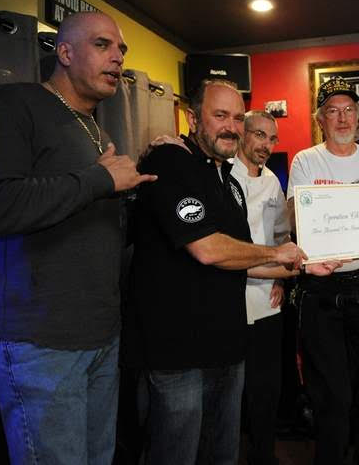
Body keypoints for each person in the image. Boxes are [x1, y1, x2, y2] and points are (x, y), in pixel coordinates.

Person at [0, 12, 156, 464]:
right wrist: (99, 182)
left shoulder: (98, 131)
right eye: (104, 45)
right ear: (64, 52)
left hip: (100, 342)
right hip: (38, 345)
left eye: (122, 50)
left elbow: (92, 232)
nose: (118, 58)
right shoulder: (10, 105)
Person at [128, 80, 307, 465]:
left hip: (227, 348)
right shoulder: (170, 161)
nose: (231, 126)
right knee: (174, 455)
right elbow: (208, 248)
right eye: (220, 115)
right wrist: (277, 251)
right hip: (177, 353)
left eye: (238, 118)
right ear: (193, 118)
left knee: (220, 455)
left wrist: (302, 264)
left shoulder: (228, 180)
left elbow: (244, 257)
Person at [287, 77, 359, 465]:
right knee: (331, 394)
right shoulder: (306, 160)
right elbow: (298, 216)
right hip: (321, 288)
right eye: (332, 110)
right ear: (320, 118)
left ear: (358, 115)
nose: (342, 117)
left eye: (349, 110)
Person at [230, 110, 291, 465]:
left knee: (265, 391)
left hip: (268, 298)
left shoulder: (272, 181)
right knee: (231, 392)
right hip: (229, 299)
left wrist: (279, 277)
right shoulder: (222, 174)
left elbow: (282, 234)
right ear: (241, 133)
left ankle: (263, 456)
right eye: (260, 136)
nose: (266, 145)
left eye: (272, 139)